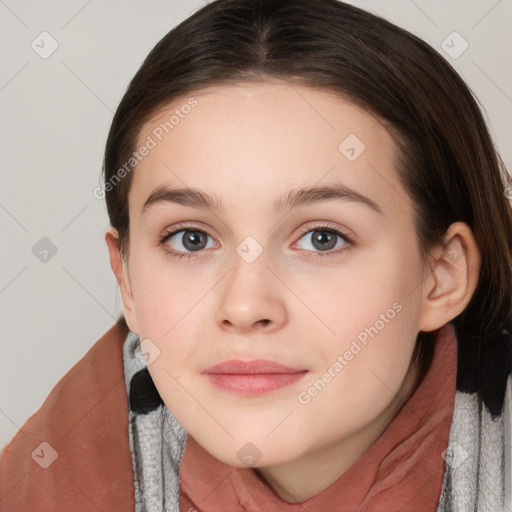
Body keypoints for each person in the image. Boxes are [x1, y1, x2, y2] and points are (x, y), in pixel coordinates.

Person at [1, 0, 511, 510]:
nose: (245, 307)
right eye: (191, 238)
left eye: (322, 238)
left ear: (441, 276)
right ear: (127, 280)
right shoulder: (52, 479)